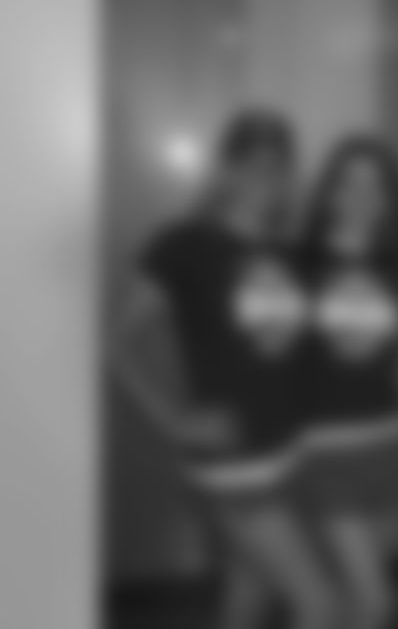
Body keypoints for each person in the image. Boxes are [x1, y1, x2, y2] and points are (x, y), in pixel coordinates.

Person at [113, 110, 338, 629]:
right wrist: (173, 421)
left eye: (279, 166)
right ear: (226, 170)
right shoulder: (182, 245)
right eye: (253, 163)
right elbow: (117, 344)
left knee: (251, 585)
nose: (266, 177)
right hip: (232, 461)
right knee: (320, 605)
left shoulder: (289, 251)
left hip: (285, 449)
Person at [292, 135, 398, 629]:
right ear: (329, 192)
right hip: (323, 449)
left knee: (351, 599)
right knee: (376, 601)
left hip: (389, 443)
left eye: (375, 185)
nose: (361, 196)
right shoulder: (297, 263)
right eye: (349, 182)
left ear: (389, 199)